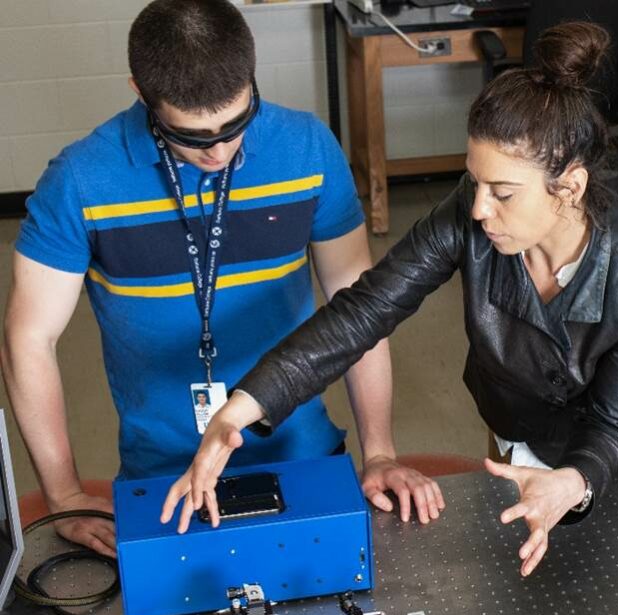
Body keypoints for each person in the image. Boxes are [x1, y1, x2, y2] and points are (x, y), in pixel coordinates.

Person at [161, 22, 618, 577]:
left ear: (570, 187)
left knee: (608, 586)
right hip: (515, 425)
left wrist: (574, 483)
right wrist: (242, 409)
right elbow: (365, 311)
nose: (479, 208)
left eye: (502, 193)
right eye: (474, 182)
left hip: (604, 457)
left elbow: (614, 425)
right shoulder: (472, 212)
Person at [0, 0, 440, 559]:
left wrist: (378, 451)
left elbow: (359, 310)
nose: (221, 150)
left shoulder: (307, 148)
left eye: (236, 123)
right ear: (142, 92)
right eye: (195, 136)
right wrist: (63, 494)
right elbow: (27, 340)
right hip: (165, 476)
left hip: (303, 455)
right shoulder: (81, 181)